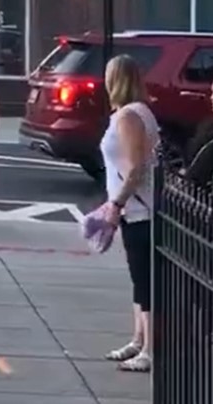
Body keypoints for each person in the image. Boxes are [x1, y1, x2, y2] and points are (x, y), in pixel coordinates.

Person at [100, 54, 160, 374]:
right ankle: (138, 339)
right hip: (135, 209)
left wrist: (117, 204)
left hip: (140, 209)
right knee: (139, 278)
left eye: (108, 76)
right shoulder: (135, 113)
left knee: (144, 280)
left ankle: (149, 349)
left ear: (117, 80)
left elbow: (136, 168)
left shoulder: (129, 117)